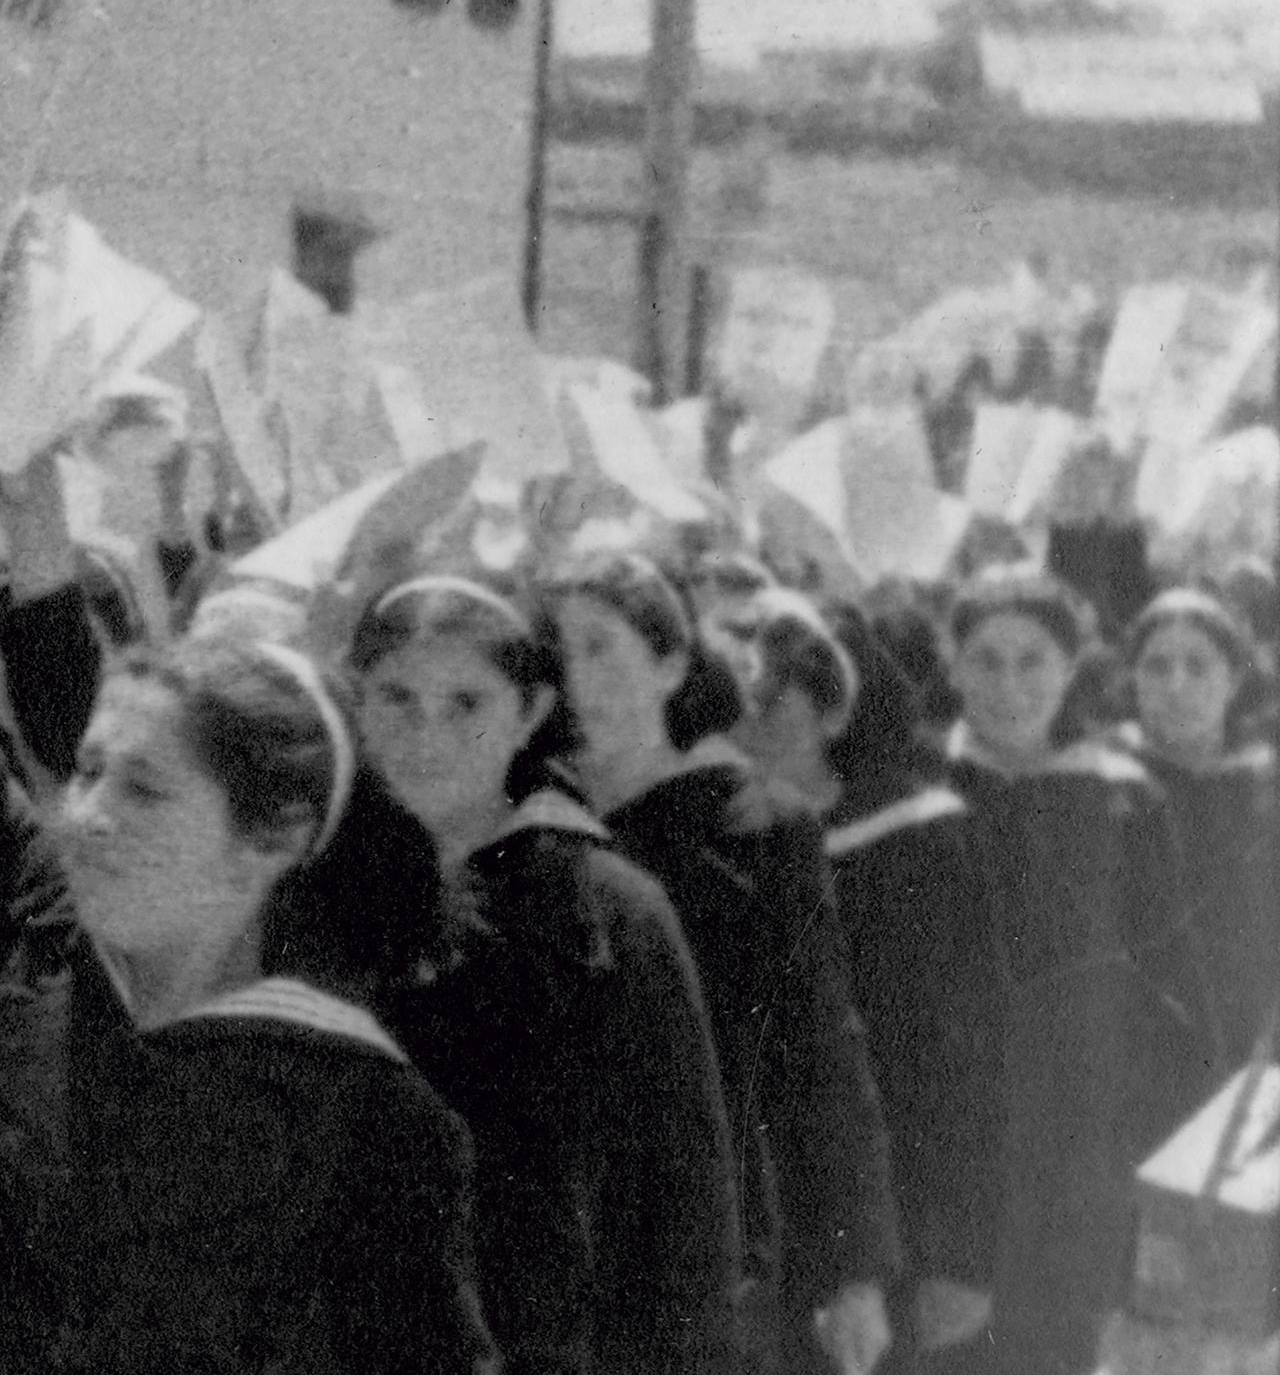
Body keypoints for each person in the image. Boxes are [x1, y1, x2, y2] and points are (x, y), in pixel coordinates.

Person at [0, 191, 490, 1374]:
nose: (87, 815)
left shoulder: (375, 1120)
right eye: (85, 772)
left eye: (146, 793)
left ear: (270, 836)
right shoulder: (19, 922)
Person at [345, 571, 747, 1375]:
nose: (428, 736)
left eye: (467, 704)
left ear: (529, 713)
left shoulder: (604, 907)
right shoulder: (320, 894)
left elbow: (682, 1198)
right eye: (396, 699)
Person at [536, 556, 900, 1375]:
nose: (576, 676)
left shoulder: (751, 825)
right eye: (556, 653)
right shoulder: (526, 820)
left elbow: (818, 1047)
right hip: (558, 1231)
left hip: (712, 1222)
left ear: (668, 663)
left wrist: (854, 1271)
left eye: (601, 647)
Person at [832, 570, 1151, 1375]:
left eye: (1033, 659)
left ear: (1074, 664)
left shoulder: (1126, 805)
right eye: (986, 660)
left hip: (1077, 1177)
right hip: (948, 1180)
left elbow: (1159, 1027)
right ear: (951, 665)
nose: (1009, 686)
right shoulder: (916, 801)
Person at [1116, 592, 1273, 1182]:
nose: (1176, 684)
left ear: (1233, 679)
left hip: (1252, 1060)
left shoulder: (1264, 788)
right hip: (1135, 1069)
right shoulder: (1104, 787)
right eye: (1157, 666)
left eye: (1198, 665)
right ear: (1131, 678)